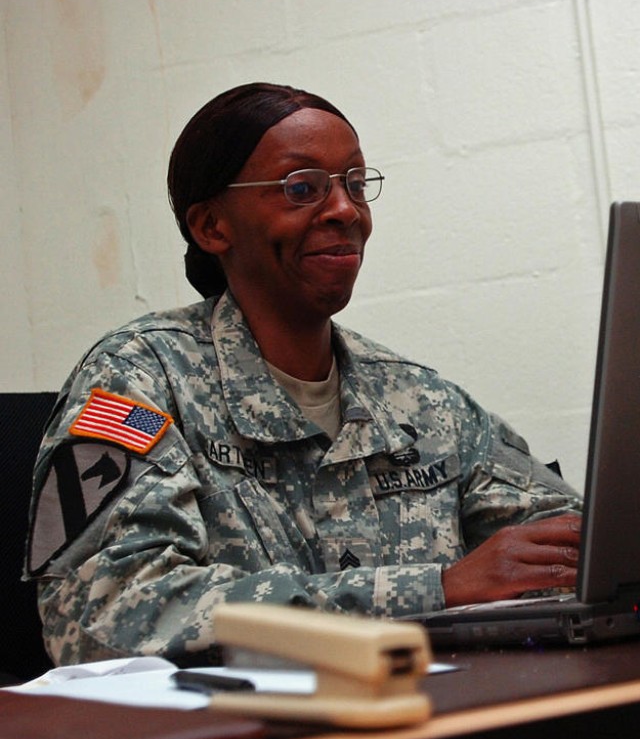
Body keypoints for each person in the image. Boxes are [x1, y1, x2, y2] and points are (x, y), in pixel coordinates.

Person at [26, 82, 582, 667]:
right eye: (302, 188)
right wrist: (434, 590)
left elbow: (568, 547)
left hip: (429, 721)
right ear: (212, 226)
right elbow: (101, 612)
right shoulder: (139, 380)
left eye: (355, 184)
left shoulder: (420, 399)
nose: (345, 210)